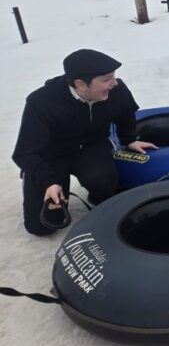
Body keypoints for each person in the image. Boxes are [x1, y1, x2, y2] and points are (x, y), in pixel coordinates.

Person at [12, 49, 157, 236]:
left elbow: (126, 113)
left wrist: (128, 140)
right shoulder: (41, 102)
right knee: (42, 227)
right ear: (80, 84)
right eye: (106, 79)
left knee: (104, 185)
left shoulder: (117, 90)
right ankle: (37, 181)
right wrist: (48, 181)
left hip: (91, 146)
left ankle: (97, 192)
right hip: (51, 156)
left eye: (113, 76)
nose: (114, 83)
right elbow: (24, 153)